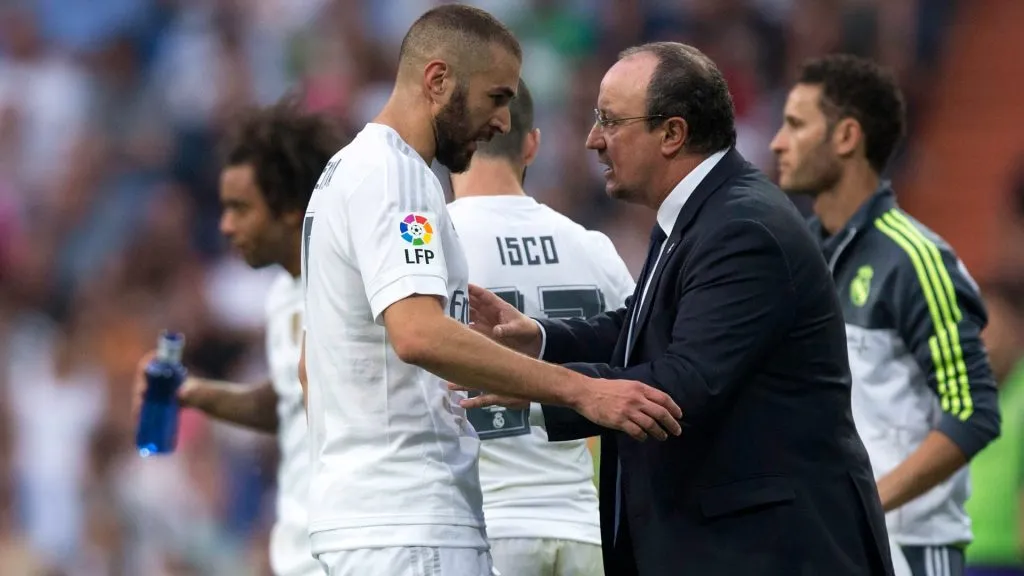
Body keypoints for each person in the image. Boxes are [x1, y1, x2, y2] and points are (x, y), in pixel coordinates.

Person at [463, 41, 894, 576]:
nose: (594, 140)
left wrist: (542, 384)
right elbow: (647, 327)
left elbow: (683, 385)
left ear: (672, 134)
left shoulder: (742, 228)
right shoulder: (702, 213)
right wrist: (543, 340)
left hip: (774, 550)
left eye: (611, 121)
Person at [298, 6, 681, 576]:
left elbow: (317, 363)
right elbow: (418, 333)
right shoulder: (396, 177)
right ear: (438, 80)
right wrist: (581, 391)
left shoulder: (353, 168)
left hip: (374, 517)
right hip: (411, 525)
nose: (504, 122)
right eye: (495, 97)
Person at [770, 53, 1002, 576]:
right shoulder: (799, 258)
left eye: (796, 124)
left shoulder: (916, 260)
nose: (777, 142)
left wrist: (865, 503)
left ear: (847, 136)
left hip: (908, 551)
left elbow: (975, 413)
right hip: (823, 550)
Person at [131, 98, 345, 576]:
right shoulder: (282, 296)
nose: (225, 226)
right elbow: (289, 401)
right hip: (295, 550)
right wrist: (199, 395)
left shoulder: (349, 289)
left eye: (241, 209)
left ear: (290, 209)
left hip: (352, 548)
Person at [447, 78, 635, 576]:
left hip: (481, 526)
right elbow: (646, 363)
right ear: (532, 143)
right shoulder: (593, 247)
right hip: (583, 528)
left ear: (453, 145)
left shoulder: (431, 244)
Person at [967, 280, 1024, 576]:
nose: (986, 342)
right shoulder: (961, 388)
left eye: (993, 329)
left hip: (1007, 555)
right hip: (960, 549)